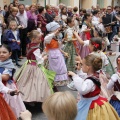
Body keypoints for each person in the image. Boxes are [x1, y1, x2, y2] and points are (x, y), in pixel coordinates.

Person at [68, 54, 120, 120]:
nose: (81, 66)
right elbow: (84, 76)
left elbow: (82, 89)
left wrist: (74, 75)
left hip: (89, 104)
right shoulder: (94, 75)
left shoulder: (90, 81)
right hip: (93, 101)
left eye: (82, 65)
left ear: (88, 67)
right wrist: (79, 71)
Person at [15, 30, 55, 102]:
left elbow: (32, 56)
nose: (40, 40)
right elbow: (40, 61)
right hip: (34, 66)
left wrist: (41, 55)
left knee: (26, 81)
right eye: (39, 39)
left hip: (28, 65)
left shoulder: (29, 45)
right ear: (33, 39)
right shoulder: (36, 49)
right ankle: (33, 98)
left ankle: (26, 96)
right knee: (36, 82)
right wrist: (45, 57)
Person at [0, 44, 26, 118]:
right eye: (0, 52)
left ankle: (10, 115)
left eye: (4, 52)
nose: (1, 54)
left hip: (6, 85)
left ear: (10, 54)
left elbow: (6, 77)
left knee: (9, 103)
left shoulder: (9, 64)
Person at [44, 21, 68, 88]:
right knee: (54, 68)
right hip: (52, 54)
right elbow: (46, 39)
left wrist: (63, 52)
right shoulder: (49, 37)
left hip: (57, 54)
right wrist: (54, 32)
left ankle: (58, 82)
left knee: (60, 67)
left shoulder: (55, 37)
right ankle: (53, 81)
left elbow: (58, 47)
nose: (58, 30)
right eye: (57, 29)